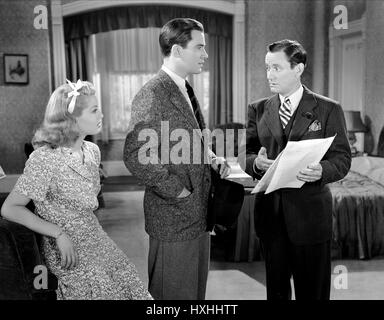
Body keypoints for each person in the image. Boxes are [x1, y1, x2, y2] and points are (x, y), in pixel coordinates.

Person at [1, 80, 152, 300]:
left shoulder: (92, 151)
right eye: (94, 110)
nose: (102, 114)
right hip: (64, 247)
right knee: (102, 289)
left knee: (131, 285)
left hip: (95, 236)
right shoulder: (45, 158)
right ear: (71, 119)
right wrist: (58, 233)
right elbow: (10, 208)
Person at [123, 18, 230, 300]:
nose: (206, 55)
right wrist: (179, 192)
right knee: (172, 295)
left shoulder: (185, 89)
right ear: (178, 50)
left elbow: (188, 141)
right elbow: (136, 156)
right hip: (173, 216)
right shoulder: (153, 93)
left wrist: (211, 158)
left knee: (194, 295)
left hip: (198, 215)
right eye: (200, 47)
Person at [242, 39, 351, 300]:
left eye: (276, 68)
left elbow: (342, 158)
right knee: (276, 293)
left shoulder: (328, 109)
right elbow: (245, 154)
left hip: (311, 217)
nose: (269, 75)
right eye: (267, 68)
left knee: (312, 293)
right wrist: (255, 163)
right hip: (271, 217)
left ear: (298, 69)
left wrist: (322, 171)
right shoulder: (258, 109)